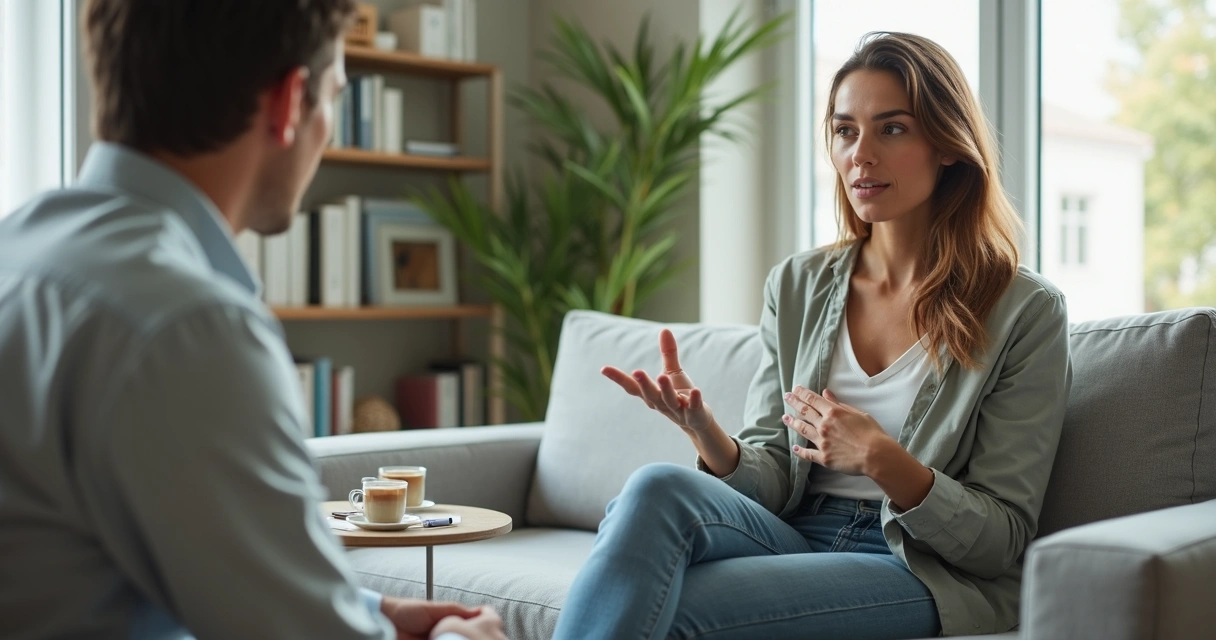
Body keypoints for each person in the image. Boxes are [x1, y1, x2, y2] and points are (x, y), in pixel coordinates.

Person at [0, 2, 506, 639]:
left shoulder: (18, 257)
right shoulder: (187, 329)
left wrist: (371, 611)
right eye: (333, 99)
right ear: (290, 102)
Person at [552, 31, 1071, 640]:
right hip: (794, 532)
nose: (861, 155)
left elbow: (1000, 540)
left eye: (893, 129)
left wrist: (881, 459)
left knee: (677, 604)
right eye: (846, 130)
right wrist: (709, 436)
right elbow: (772, 474)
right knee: (656, 486)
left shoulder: (1024, 311)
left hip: (911, 562)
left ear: (948, 146)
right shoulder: (797, 284)